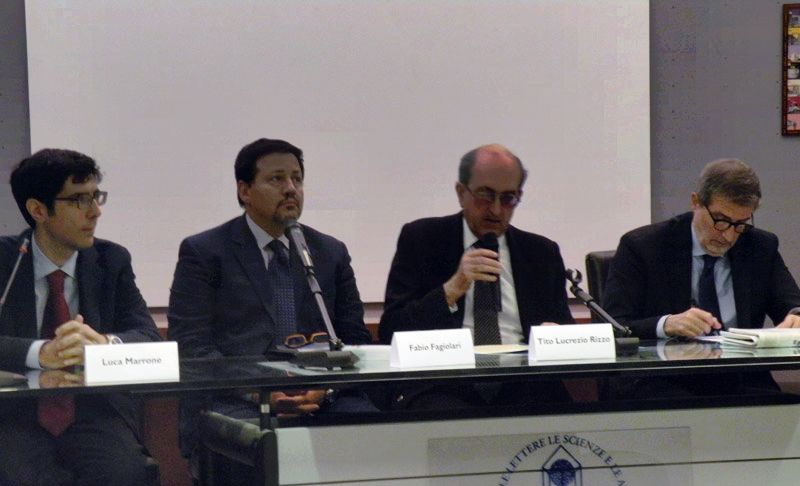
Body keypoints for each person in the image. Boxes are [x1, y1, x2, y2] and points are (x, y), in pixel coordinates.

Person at [168, 138, 374, 480]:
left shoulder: (328, 252)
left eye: (297, 179)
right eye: (277, 179)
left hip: (320, 396)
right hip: (236, 398)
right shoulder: (205, 253)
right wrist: (260, 391)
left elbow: (355, 340)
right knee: (252, 445)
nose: (291, 188)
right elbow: (192, 347)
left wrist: (326, 388)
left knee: (372, 428)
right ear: (244, 190)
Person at [0, 149, 161, 485]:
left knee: (123, 472)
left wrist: (103, 344)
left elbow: (147, 336)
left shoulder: (111, 260)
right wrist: (41, 353)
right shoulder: (5, 261)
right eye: (78, 200)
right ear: (38, 210)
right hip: (13, 413)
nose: (95, 211)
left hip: (93, 410)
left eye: (95, 196)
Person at [378, 143, 573, 409]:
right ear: (461, 193)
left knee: (553, 409)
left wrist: (556, 334)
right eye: (485, 195)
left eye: (508, 198)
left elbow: (564, 328)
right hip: (442, 379)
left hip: (524, 380)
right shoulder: (422, 239)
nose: (496, 210)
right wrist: (451, 289)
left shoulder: (541, 252)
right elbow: (392, 330)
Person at [603, 158, 800, 396]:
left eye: (740, 224)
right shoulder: (643, 247)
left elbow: (792, 304)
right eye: (720, 220)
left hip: (741, 379)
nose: (728, 235)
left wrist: (795, 317)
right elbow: (614, 325)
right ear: (696, 202)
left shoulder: (759, 246)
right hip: (664, 379)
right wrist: (666, 324)